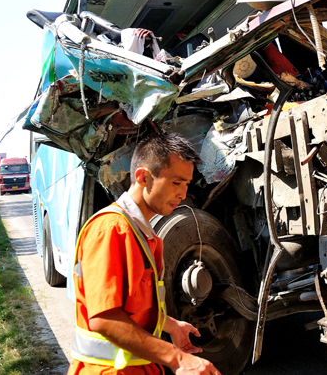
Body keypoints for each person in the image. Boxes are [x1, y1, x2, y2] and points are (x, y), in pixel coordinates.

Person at [69, 132, 220, 375]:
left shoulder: (143, 235)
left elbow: (132, 307)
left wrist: (169, 325)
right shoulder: (111, 230)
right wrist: (177, 359)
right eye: (176, 183)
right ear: (143, 177)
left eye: (187, 184)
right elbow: (104, 318)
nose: (183, 194)